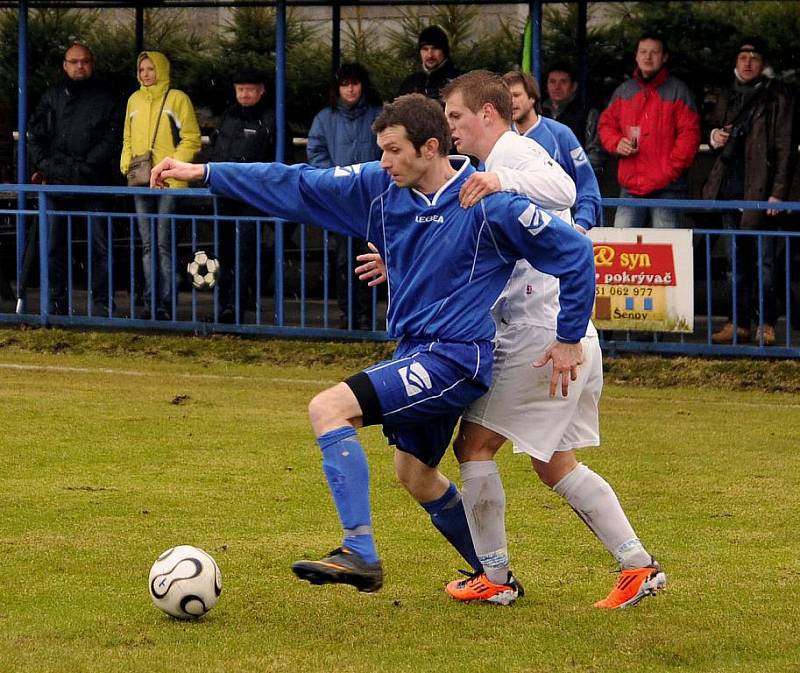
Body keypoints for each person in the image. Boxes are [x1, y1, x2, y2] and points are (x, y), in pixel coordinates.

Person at [151, 93, 595, 594]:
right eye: (380, 151)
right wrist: (205, 173)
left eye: (393, 151)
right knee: (415, 475)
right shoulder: (377, 190)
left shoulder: (485, 200)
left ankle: (359, 550)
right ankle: (496, 578)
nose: (383, 162)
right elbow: (293, 182)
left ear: (431, 148)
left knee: (329, 409)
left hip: (454, 357)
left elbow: (576, 251)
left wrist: (568, 337)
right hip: (416, 352)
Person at [359, 71, 664, 608]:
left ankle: (497, 578)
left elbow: (564, 188)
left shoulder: (512, 156)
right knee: (555, 465)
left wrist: (504, 181)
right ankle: (639, 567)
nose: (449, 127)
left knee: (474, 446)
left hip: (545, 335)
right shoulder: (485, 168)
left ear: (487, 115)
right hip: (557, 332)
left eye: (455, 116)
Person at [703, 38, 795, 347]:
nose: (748, 62)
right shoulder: (726, 93)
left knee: (764, 264)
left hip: (762, 193)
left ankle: (766, 323)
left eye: (754, 57)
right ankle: (738, 322)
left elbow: (785, 147)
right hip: (730, 189)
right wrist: (714, 136)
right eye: (743, 56)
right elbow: (713, 128)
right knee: (735, 264)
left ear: (762, 63)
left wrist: (778, 193)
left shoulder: (778, 96)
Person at [28, 42, 121, 315]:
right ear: (65, 65)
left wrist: (86, 165)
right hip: (58, 185)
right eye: (75, 61)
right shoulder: (52, 96)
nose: (80, 66)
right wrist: (49, 166)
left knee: (100, 247)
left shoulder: (106, 98)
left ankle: (103, 303)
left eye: (85, 61)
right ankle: (56, 301)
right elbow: (36, 137)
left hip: (94, 184)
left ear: (92, 64)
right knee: (54, 246)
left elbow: (113, 137)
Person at [121, 51, 201, 321]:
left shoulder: (177, 99)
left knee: (163, 245)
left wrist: (172, 166)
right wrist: (126, 165)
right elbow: (127, 139)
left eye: (151, 68)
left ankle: (165, 303)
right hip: (141, 181)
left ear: (162, 70)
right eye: (142, 69)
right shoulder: (133, 100)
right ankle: (150, 301)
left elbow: (191, 138)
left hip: (171, 181)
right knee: (147, 245)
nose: (146, 73)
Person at [307, 63, 382, 330]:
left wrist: (374, 177)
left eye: (355, 83)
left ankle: (366, 312)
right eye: (344, 84)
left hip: (371, 200)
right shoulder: (325, 118)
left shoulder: (378, 115)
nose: (350, 89)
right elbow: (315, 153)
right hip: (340, 201)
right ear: (337, 88)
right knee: (343, 259)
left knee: (371, 257)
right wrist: (334, 178)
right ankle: (348, 312)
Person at [598, 33, 700, 228]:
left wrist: (669, 171)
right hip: (631, 184)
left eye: (654, 52)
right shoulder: (624, 91)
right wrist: (617, 142)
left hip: (668, 187)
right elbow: (606, 125)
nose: (648, 57)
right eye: (643, 52)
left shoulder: (679, 91)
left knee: (666, 250)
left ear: (665, 57)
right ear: (636, 56)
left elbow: (690, 136)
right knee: (623, 247)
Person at [206, 68, 276, 324]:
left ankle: (238, 306)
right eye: (240, 90)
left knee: (246, 252)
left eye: (250, 89)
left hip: (252, 198)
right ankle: (224, 305)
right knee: (224, 252)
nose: (245, 95)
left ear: (261, 91)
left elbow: (280, 160)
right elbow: (215, 150)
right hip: (225, 196)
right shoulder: (228, 117)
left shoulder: (271, 119)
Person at [502, 70, 602, 234]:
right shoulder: (499, 138)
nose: (510, 102)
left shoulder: (561, 134)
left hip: (556, 233)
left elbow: (587, 185)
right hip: (513, 236)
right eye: (506, 97)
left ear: (532, 97)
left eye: (516, 95)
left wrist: (581, 226)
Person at [541, 63, 606, 173]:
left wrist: (572, 172)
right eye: (552, 82)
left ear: (574, 86)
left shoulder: (588, 113)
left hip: (575, 180)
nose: (557, 87)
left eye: (563, 82)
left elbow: (596, 155)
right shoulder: (538, 113)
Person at [397, 25, 460, 100]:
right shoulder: (410, 83)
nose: (430, 55)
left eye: (435, 48)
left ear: (444, 52)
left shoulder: (458, 82)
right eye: (425, 49)